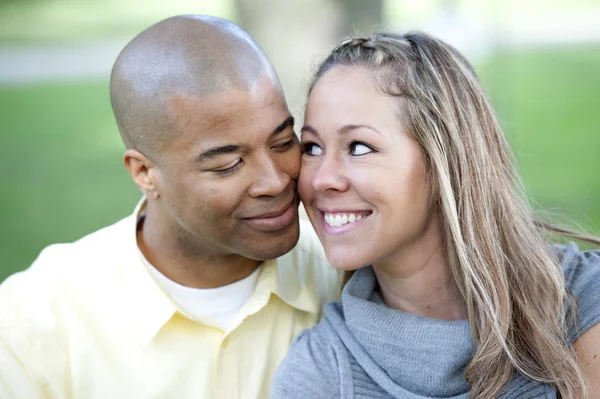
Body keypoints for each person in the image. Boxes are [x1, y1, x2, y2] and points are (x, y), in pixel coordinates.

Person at [0, 15, 342, 399]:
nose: (276, 181)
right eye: (228, 164)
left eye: (282, 142)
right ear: (145, 172)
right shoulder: (35, 325)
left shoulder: (343, 276)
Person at [272, 32, 600, 398]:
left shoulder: (584, 302)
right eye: (313, 147)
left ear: (445, 160)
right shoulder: (320, 372)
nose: (322, 179)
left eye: (359, 147)